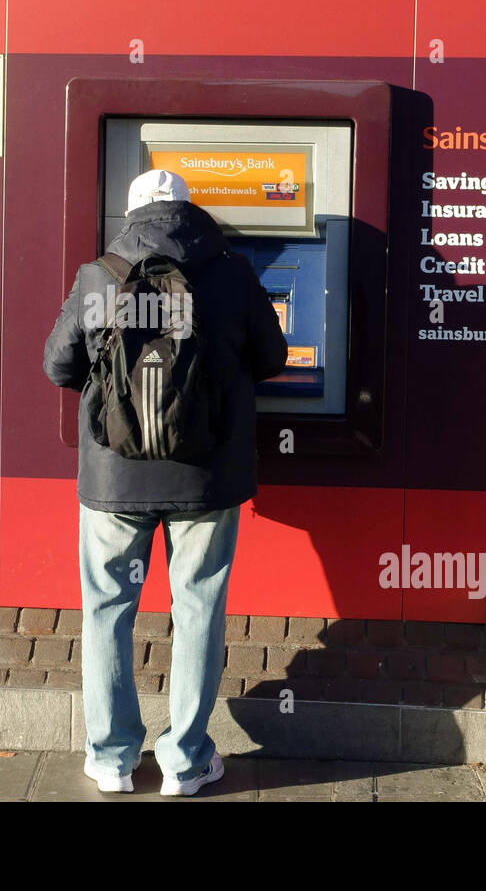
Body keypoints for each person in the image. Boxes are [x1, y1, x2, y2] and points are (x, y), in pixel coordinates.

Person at [42, 168, 289, 796]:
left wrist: (121, 404)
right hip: (204, 475)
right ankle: (185, 762)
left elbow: (57, 364)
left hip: (115, 475)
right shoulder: (230, 270)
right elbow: (273, 357)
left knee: (107, 609)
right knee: (198, 607)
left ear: (129, 214)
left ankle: (112, 759)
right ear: (188, 209)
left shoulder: (100, 273)